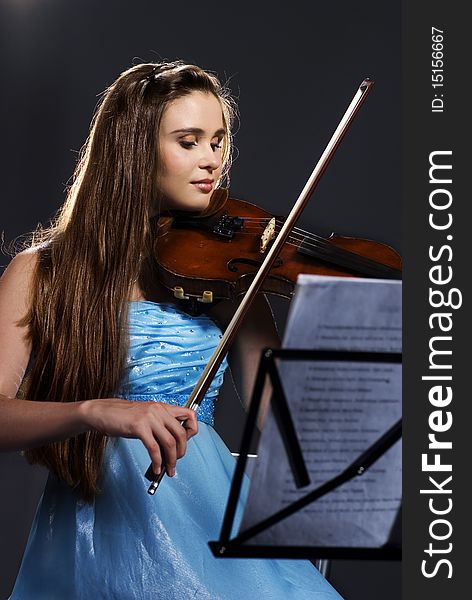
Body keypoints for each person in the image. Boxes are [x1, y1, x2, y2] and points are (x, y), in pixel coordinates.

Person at [0, 61, 344, 599]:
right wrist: (96, 410)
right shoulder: (42, 271)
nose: (212, 160)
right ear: (135, 151)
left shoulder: (232, 270)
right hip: (94, 532)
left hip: (205, 515)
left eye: (218, 141)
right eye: (189, 142)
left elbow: (282, 415)